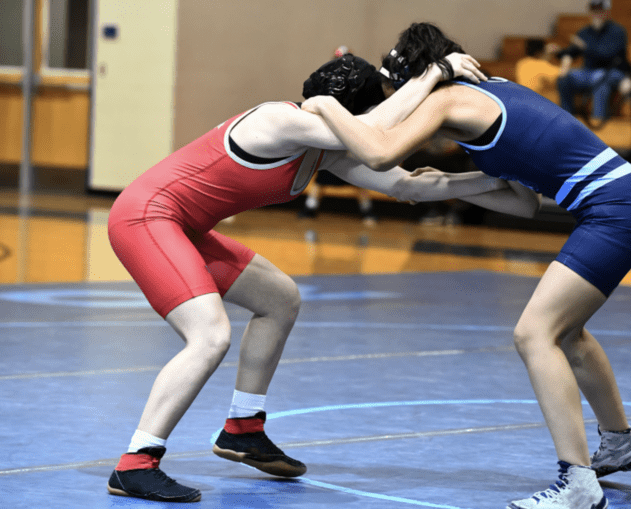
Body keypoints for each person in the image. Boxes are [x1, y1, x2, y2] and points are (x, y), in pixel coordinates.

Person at [105, 51, 536, 503]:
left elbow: (406, 185)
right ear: (353, 112)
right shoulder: (277, 120)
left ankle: (242, 429)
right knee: (210, 336)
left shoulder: (324, 151)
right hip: (146, 218)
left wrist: (495, 177)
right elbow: (374, 134)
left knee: (279, 299)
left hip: (183, 226)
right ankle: (136, 462)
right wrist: (435, 73)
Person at [303, 22, 631, 509]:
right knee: (567, 332)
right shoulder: (488, 100)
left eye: (400, 88)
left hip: (616, 210)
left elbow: (381, 153)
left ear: (421, 78)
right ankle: (619, 443)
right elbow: (523, 204)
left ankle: (578, 484)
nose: (399, 100)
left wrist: (324, 107)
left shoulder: (449, 100)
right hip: (625, 201)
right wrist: (454, 180)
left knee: (534, 334)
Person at [298, 46, 378, 224]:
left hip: (349, 134)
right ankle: (310, 208)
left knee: (357, 177)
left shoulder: (359, 82)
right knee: (323, 175)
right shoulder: (326, 79)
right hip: (331, 134)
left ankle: (368, 211)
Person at [556, 0, 631, 121]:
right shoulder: (585, 32)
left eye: (600, 10)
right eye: (594, 10)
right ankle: (567, 120)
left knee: (600, 80)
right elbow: (573, 52)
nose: (597, 14)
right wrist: (559, 52)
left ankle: (598, 124)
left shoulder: (618, 31)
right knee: (564, 78)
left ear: (607, 11)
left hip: (612, 72)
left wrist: (585, 47)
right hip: (588, 72)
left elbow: (608, 54)